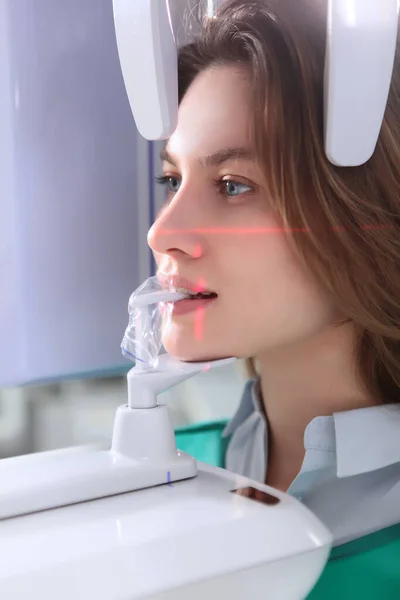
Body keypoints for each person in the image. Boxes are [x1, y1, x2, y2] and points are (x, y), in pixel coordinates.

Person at [148, 0, 400, 547]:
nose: (162, 233)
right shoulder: (156, 480)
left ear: (368, 214)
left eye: (233, 185)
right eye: (172, 180)